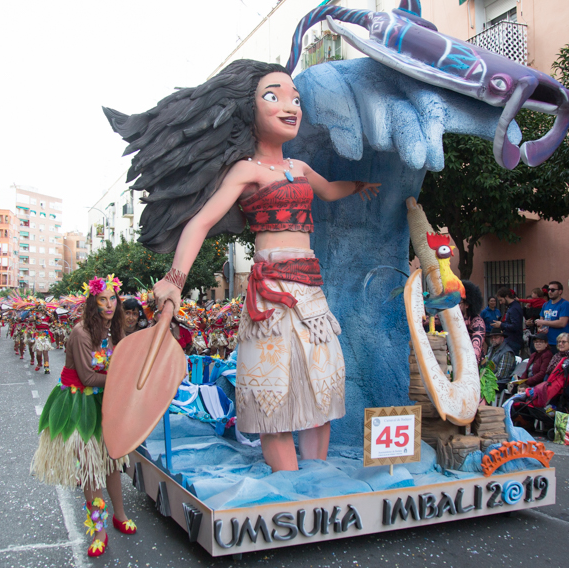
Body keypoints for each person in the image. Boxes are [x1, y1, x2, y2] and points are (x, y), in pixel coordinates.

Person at [121, 60, 380, 473]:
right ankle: (289, 484)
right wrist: (175, 279)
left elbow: (329, 191)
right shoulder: (247, 170)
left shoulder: (299, 168)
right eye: (274, 97)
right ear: (250, 110)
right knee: (272, 392)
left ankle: (316, 479)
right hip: (270, 298)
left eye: (294, 98)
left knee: (322, 386)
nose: (290, 106)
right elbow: (201, 222)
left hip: (311, 293)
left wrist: (360, 185)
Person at [31, 275, 137, 557]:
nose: (109, 304)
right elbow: (89, 377)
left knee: (113, 461)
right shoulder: (81, 333)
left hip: (105, 401)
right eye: (102, 299)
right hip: (78, 403)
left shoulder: (115, 331)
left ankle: (120, 515)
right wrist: (122, 378)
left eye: (113, 298)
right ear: (93, 302)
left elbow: (124, 363)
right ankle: (99, 530)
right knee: (91, 470)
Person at [511, 333, 569, 430]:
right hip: (546, 386)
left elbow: (549, 377)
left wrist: (529, 384)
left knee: (526, 398)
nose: (561, 344)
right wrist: (522, 383)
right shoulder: (556, 356)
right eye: (559, 342)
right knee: (517, 394)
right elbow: (533, 372)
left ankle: (526, 422)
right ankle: (524, 421)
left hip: (558, 392)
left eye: (564, 342)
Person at [533, 281, 569, 346]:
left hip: (560, 343)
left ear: (560, 292)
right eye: (549, 290)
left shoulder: (564, 304)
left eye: (552, 290)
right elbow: (540, 323)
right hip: (546, 342)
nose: (550, 292)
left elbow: (562, 323)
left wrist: (543, 322)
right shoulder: (545, 304)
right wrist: (541, 329)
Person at [492, 287, 525, 354]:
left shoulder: (514, 308)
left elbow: (515, 326)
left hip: (513, 340)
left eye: (501, 300)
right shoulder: (512, 307)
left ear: (507, 296)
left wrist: (501, 325)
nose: (501, 303)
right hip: (511, 339)